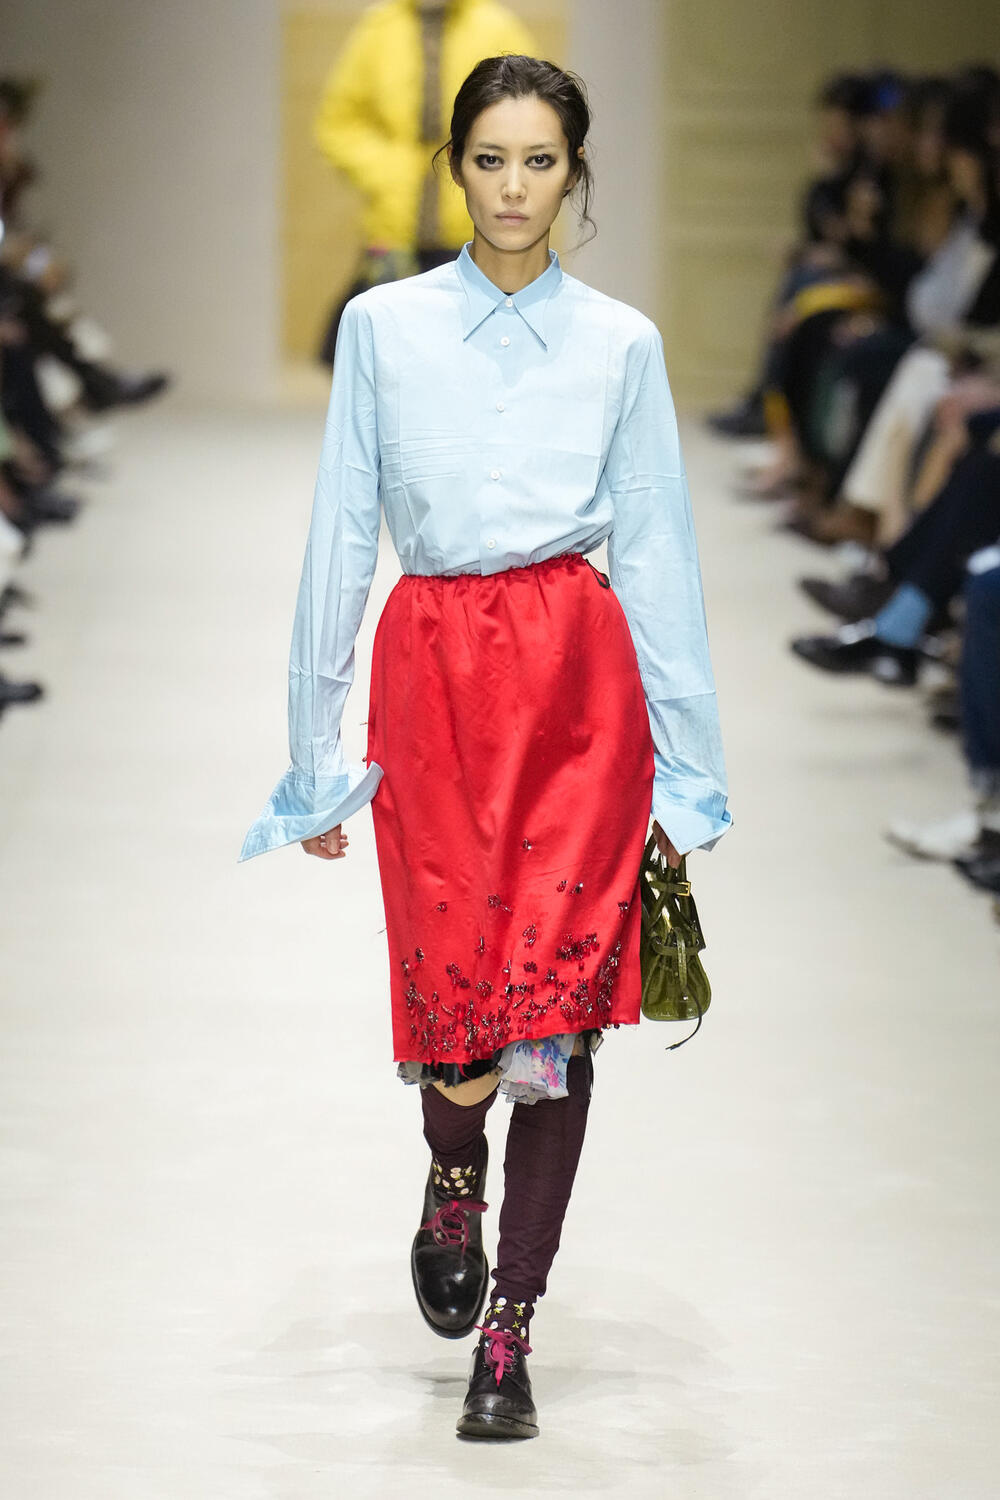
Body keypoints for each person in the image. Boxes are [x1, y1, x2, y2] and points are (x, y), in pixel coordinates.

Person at [241, 54, 732, 1440]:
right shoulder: (384, 329)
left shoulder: (621, 345)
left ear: (575, 174)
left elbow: (658, 550)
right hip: (437, 686)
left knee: (558, 1019)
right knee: (460, 1016)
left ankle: (509, 1332)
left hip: (579, 691)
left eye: (541, 161)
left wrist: (688, 767)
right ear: (454, 166)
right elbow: (343, 532)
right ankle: (452, 1169)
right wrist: (314, 758)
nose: (515, 188)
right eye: (491, 159)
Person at [313, 0, 536, 363]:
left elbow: (530, 117)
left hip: (473, 227)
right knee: (369, 349)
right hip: (395, 227)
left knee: (475, 352)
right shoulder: (379, 27)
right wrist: (386, 171)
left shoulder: (496, 27)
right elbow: (338, 121)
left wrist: (490, 168)